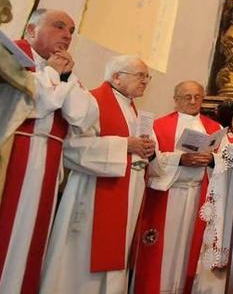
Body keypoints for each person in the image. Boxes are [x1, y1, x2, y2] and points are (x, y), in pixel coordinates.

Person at [0, 9, 98, 294]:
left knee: (32, 238)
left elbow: (83, 117)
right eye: (58, 27)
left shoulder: (65, 72)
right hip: (14, 151)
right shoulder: (12, 57)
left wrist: (63, 76)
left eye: (71, 30)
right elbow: (39, 102)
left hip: (48, 160)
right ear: (31, 30)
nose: (67, 35)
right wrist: (55, 74)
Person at [41, 55, 156, 293]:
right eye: (140, 76)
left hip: (127, 193)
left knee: (115, 254)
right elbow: (71, 147)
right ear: (117, 77)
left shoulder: (133, 109)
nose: (145, 81)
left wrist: (146, 150)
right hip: (92, 192)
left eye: (148, 77)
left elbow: (135, 148)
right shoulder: (92, 100)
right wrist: (125, 145)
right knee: (81, 258)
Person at [133, 81, 222, 294]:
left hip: (199, 197)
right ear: (176, 99)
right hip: (168, 195)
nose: (193, 101)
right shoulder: (158, 125)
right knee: (163, 249)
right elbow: (151, 160)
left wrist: (211, 160)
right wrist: (181, 160)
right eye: (187, 97)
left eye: (197, 97)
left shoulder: (215, 128)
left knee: (190, 250)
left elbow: (225, 160)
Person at [191, 104, 233, 294]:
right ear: (232, 122)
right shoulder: (223, 141)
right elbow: (215, 161)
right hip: (225, 199)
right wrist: (215, 160)